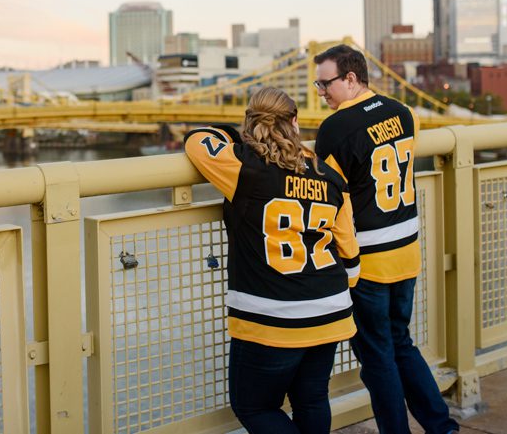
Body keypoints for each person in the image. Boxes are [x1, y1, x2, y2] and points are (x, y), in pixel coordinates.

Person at [184, 87, 360, 434]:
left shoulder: (243, 166)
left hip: (271, 316)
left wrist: (234, 135)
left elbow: (196, 140)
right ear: (295, 121)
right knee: (312, 399)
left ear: (252, 123)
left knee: (254, 407)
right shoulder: (330, 176)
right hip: (330, 309)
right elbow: (351, 256)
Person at [312, 45, 459, 434]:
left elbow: (332, 201)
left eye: (325, 84)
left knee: (377, 357)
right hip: (407, 251)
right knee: (401, 342)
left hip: (368, 263)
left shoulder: (334, 130)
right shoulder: (403, 112)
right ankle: (441, 426)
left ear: (350, 79)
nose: (320, 93)